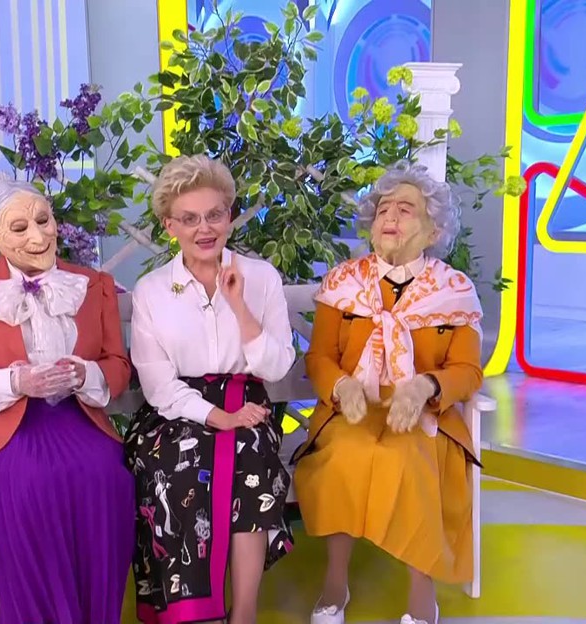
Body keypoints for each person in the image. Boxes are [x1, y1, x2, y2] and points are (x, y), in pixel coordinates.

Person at [0, 172, 134, 624]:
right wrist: (15, 382)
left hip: (76, 420)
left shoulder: (93, 283)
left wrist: (85, 373)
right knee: (29, 485)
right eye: (19, 228)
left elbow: (118, 365)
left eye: (44, 220)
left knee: (106, 479)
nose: (38, 236)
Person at [293, 162, 484, 624]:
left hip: (425, 414)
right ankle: (335, 584)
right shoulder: (343, 282)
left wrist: (425, 386)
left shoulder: (455, 290)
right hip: (352, 410)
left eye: (405, 209)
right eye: (383, 210)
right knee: (344, 457)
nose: (390, 217)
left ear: (434, 230)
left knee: (407, 461)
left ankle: (422, 594)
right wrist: (341, 386)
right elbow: (319, 358)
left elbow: (468, 371)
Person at [126, 155, 296, 624]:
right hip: (174, 410)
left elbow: (277, 365)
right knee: (176, 468)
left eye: (215, 215)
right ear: (170, 226)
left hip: (248, 401)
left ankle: (244, 615)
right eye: (190, 218)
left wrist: (238, 305)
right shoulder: (151, 289)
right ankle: (191, 614)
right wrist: (216, 416)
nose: (205, 228)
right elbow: (157, 382)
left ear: (229, 215)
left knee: (251, 457)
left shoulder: (261, 277)